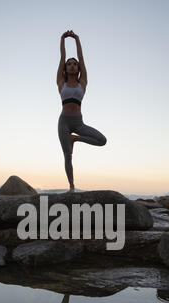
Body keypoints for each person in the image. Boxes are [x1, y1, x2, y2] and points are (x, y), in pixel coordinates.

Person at [57, 30, 107, 193]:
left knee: (102, 140)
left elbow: (82, 59)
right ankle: (71, 187)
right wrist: (63, 40)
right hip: (64, 121)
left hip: (78, 123)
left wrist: (77, 39)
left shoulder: (82, 82)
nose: (72, 65)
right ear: (65, 68)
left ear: (78, 68)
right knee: (67, 156)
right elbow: (62, 58)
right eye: (69, 64)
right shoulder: (61, 82)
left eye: (75, 64)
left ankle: (75, 139)